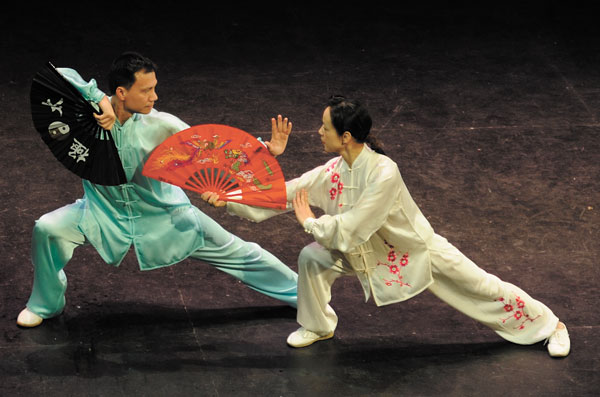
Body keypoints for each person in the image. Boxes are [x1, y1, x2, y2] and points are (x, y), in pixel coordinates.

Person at [202, 95, 571, 357]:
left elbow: (353, 226)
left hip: (412, 251)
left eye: (324, 126)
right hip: (360, 253)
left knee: (480, 286)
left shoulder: (383, 172)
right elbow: (284, 194)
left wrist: (312, 223)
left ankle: (549, 325)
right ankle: (318, 324)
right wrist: (230, 198)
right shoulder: (333, 170)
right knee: (313, 260)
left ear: (345, 137)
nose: (318, 131)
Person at [17, 52, 298, 328]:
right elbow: (59, 77)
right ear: (121, 92)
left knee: (239, 252)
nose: (155, 97)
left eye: (154, 89)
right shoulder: (91, 113)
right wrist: (100, 99)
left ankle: (302, 294)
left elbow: (212, 150)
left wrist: (263, 149)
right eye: (147, 90)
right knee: (48, 228)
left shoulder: (163, 124)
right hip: (102, 213)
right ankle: (46, 304)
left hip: (165, 216)